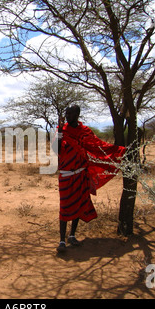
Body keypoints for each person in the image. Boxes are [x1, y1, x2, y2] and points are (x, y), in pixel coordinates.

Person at [52, 105, 126, 253]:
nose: (67, 115)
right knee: (65, 206)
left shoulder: (85, 132)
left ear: (77, 114)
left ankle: (72, 235)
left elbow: (98, 146)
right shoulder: (61, 130)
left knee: (79, 205)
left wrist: (118, 151)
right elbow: (56, 150)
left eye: (70, 113)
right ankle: (61, 240)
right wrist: (60, 131)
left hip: (81, 174)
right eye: (66, 112)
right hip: (66, 175)